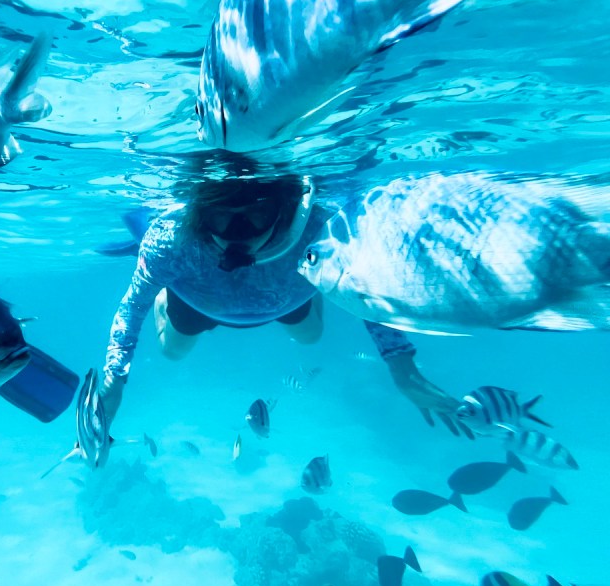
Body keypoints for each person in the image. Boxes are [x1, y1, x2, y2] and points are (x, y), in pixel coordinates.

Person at [98, 154, 466, 434]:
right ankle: (166, 289)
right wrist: (114, 380)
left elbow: (363, 288)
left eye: (255, 216)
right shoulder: (171, 238)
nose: (237, 233)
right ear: (200, 216)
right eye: (221, 218)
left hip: (286, 291)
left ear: (284, 210)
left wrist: (403, 369)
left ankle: (319, 280)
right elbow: (134, 306)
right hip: (198, 294)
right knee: (173, 352)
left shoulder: (319, 228)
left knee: (312, 337)